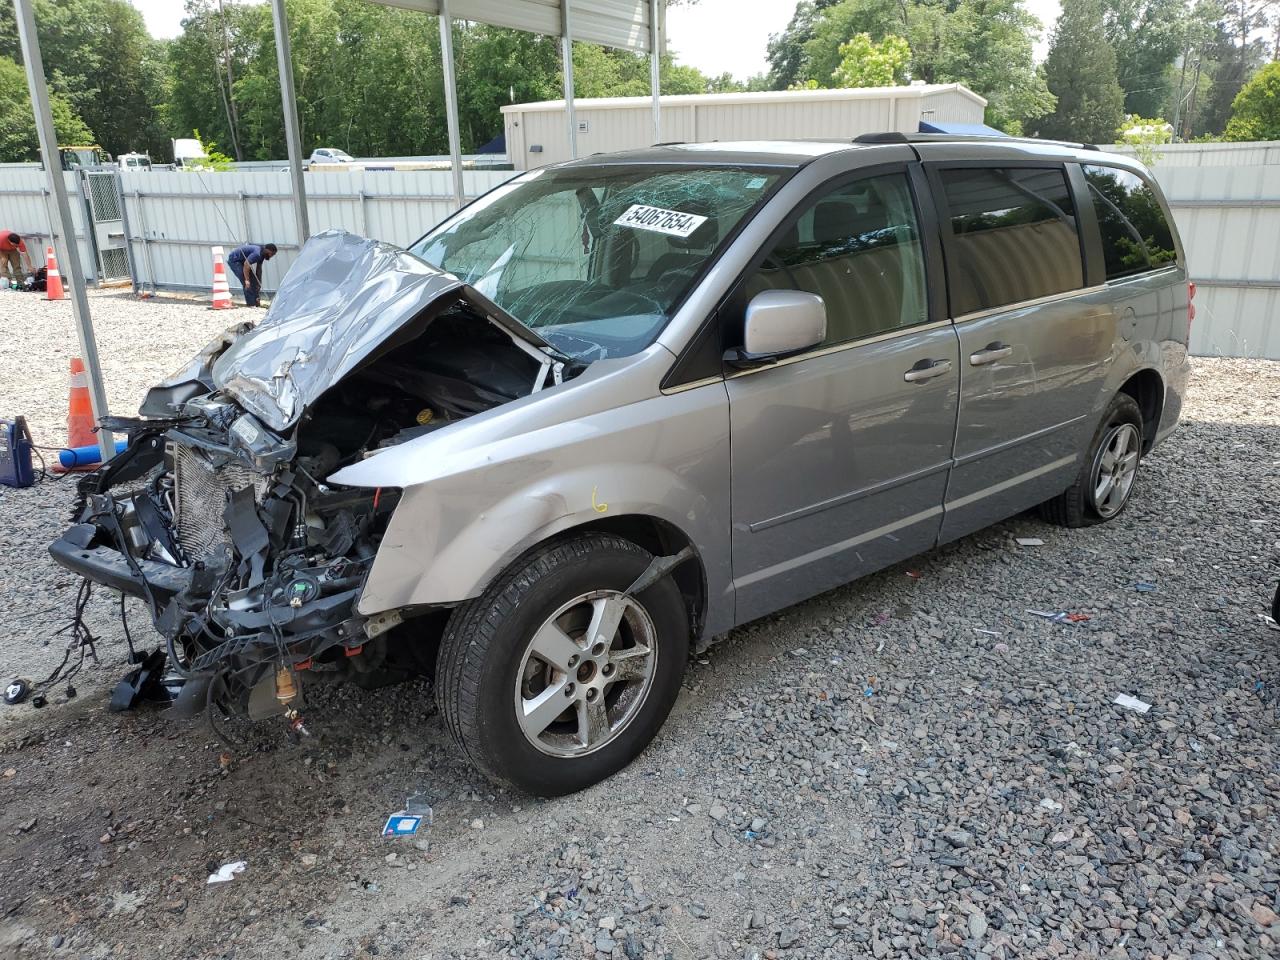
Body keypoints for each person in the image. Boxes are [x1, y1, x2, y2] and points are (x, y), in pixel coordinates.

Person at [226, 241, 277, 306]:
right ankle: (251, 304)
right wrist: (247, 280)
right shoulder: (257, 253)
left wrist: (259, 283)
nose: (271, 256)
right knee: (247, 283)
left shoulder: (262, 255)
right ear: (267, 250)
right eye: (271, 254)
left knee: (254, 282)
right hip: (235, 260)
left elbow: (259, 269)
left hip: (242, 261)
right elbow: (246, 264)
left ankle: (256, 302)